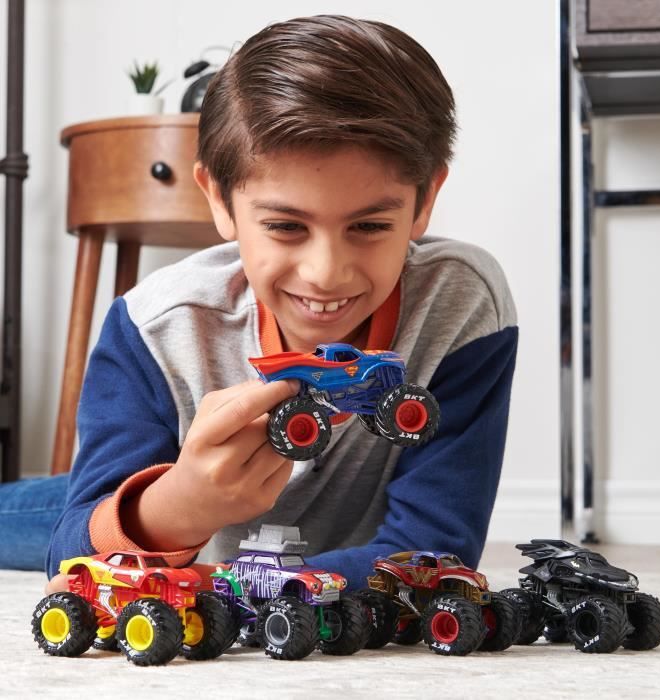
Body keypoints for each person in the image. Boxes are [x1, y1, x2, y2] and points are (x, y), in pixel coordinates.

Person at [0, 15, 518, 590]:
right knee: (30, 518)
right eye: (286, 226)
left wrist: (221, 588)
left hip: (248, 563)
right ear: (219, 200)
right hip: (163, 482)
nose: (326, 273)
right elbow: (73, 556)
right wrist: (180, 505)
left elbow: (434, 555)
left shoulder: (461, 301)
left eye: (369, 226)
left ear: (426, 200)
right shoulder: (157, 325)